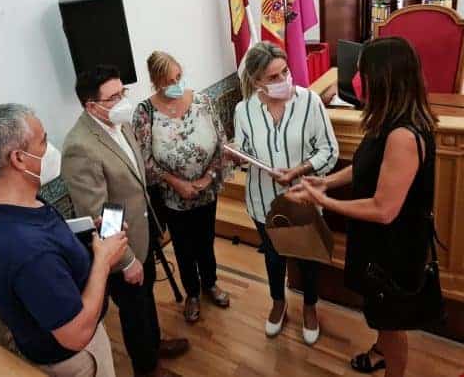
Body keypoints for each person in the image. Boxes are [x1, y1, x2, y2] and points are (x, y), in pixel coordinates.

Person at [288, 37, 438, 377]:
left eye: (361, 73)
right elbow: (365, 167)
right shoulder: (387, 119)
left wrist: (324, 201)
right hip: (379, 242)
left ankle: (392, 367)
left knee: (391, 321)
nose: (355, 80)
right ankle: (380, 349)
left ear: (383, 78)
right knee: (380, 312)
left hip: (395, 248)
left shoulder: (403, 135)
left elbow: (384, 209)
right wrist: (325, 183)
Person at [0, 103, 128, 377]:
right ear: (19, 159)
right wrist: (103, 261)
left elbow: (46, 241)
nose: (51, 148)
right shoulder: (27, 251)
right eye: (43, 141)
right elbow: (76, 334)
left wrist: (86, 235)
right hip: (78, 357)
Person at [61, 65, 189, 377]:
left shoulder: (120, 122)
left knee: (146, 300)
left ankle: (154, 344)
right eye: (113, 97)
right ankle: (146, 367)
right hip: (120, 249)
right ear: (91, 106)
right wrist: (126, 260)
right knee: (134, 312)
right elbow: (99, 213)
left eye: (123, 92)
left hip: (141, 232)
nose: (122, 101)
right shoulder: (80, 147)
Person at [233, 41, 339, 345]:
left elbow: (329, 150)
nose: (283, 80)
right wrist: (238, 156)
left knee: (308, 258)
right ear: (257, 82)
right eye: (273, 77)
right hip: (262, 201)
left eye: (285, 72)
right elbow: (245, 151)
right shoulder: (244, 110)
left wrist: (297, 171)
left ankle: (309, 307)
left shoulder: (310, 102)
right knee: (273, 256)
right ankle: (278, 303)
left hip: (303, 198)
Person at [133, 51, 232, 323]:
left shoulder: (203, 101)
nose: (176, 84)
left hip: (206, 192)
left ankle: (210, 283)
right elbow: (145, 159)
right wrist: (176, 182)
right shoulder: (144, 113)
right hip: (173, 197)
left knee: (206, 241)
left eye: (178, 77)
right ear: (155, 82)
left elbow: (222, 144)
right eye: (168, 81)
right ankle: (192, 293)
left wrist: (208, 177)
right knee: (183, 247)